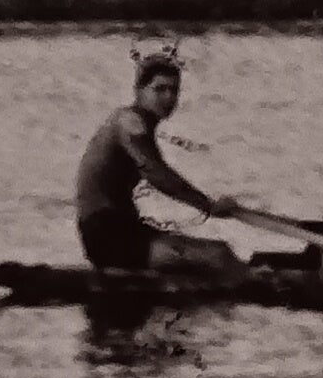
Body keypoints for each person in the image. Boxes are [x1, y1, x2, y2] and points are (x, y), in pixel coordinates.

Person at [76, 48, 244, 274]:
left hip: (124, 229)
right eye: (159, 89)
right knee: (220, 256)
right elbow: (156, 174)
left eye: (174, 90)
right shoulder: (130, 123)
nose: (168, 98)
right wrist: (209, 206)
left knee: (219, 253)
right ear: (139, 91)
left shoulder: (136, 123)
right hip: (108, 236)